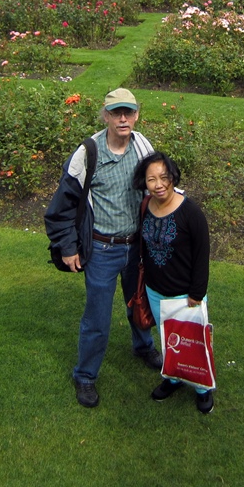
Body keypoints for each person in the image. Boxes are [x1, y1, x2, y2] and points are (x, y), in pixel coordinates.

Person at [44, 88, 161, 408]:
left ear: (137, 114)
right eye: (116, 112)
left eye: (129, 112)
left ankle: (143, 347)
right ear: (106, 116)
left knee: (139, 302)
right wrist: (68, 247)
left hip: (136, 247)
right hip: (102, 250)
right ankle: (85, 376)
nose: (123, 118)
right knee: (97, 318)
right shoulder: (88, 152)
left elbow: (160, 187)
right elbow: (60, 208)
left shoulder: (143, 146)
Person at [133, 151, 214, 414]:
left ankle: (202, 388)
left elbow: (202, 255)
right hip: (155, 291)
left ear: (173, 178)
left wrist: (197, 293)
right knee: (168, 339)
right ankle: (173, 377)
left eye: (164, 178)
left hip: (185, 295)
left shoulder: (190, 213)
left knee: (193, 343)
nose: (158, 185)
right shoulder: (146, 206)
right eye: (151, 179)